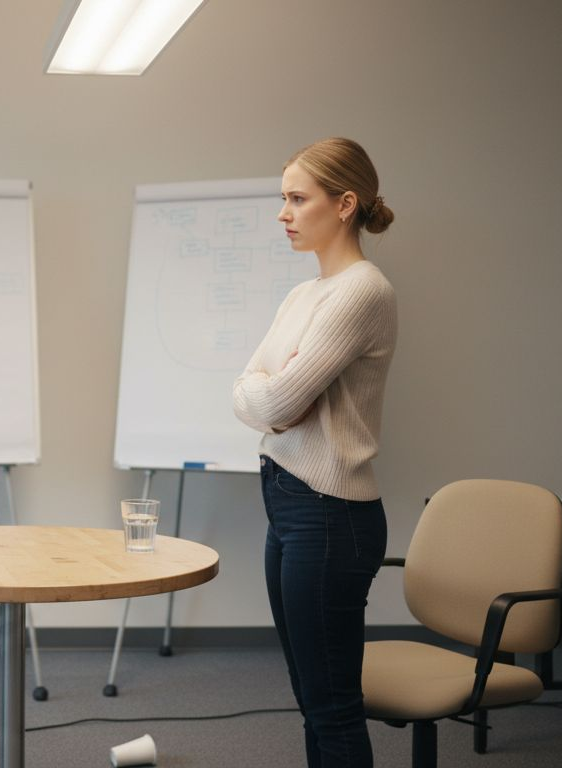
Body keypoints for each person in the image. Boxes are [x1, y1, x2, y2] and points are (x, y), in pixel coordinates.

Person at [231, 137, 397, 768]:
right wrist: (271, 393)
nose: (284, 213)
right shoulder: (302, 297)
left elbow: (272, 406)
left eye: (298, 199)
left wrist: (272, 394)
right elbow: (256, 393)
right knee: (309, 695)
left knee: (331, 705)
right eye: (284, 199)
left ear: (346, 203)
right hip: (289, 504)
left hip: (330, 514)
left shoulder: (363, 291)